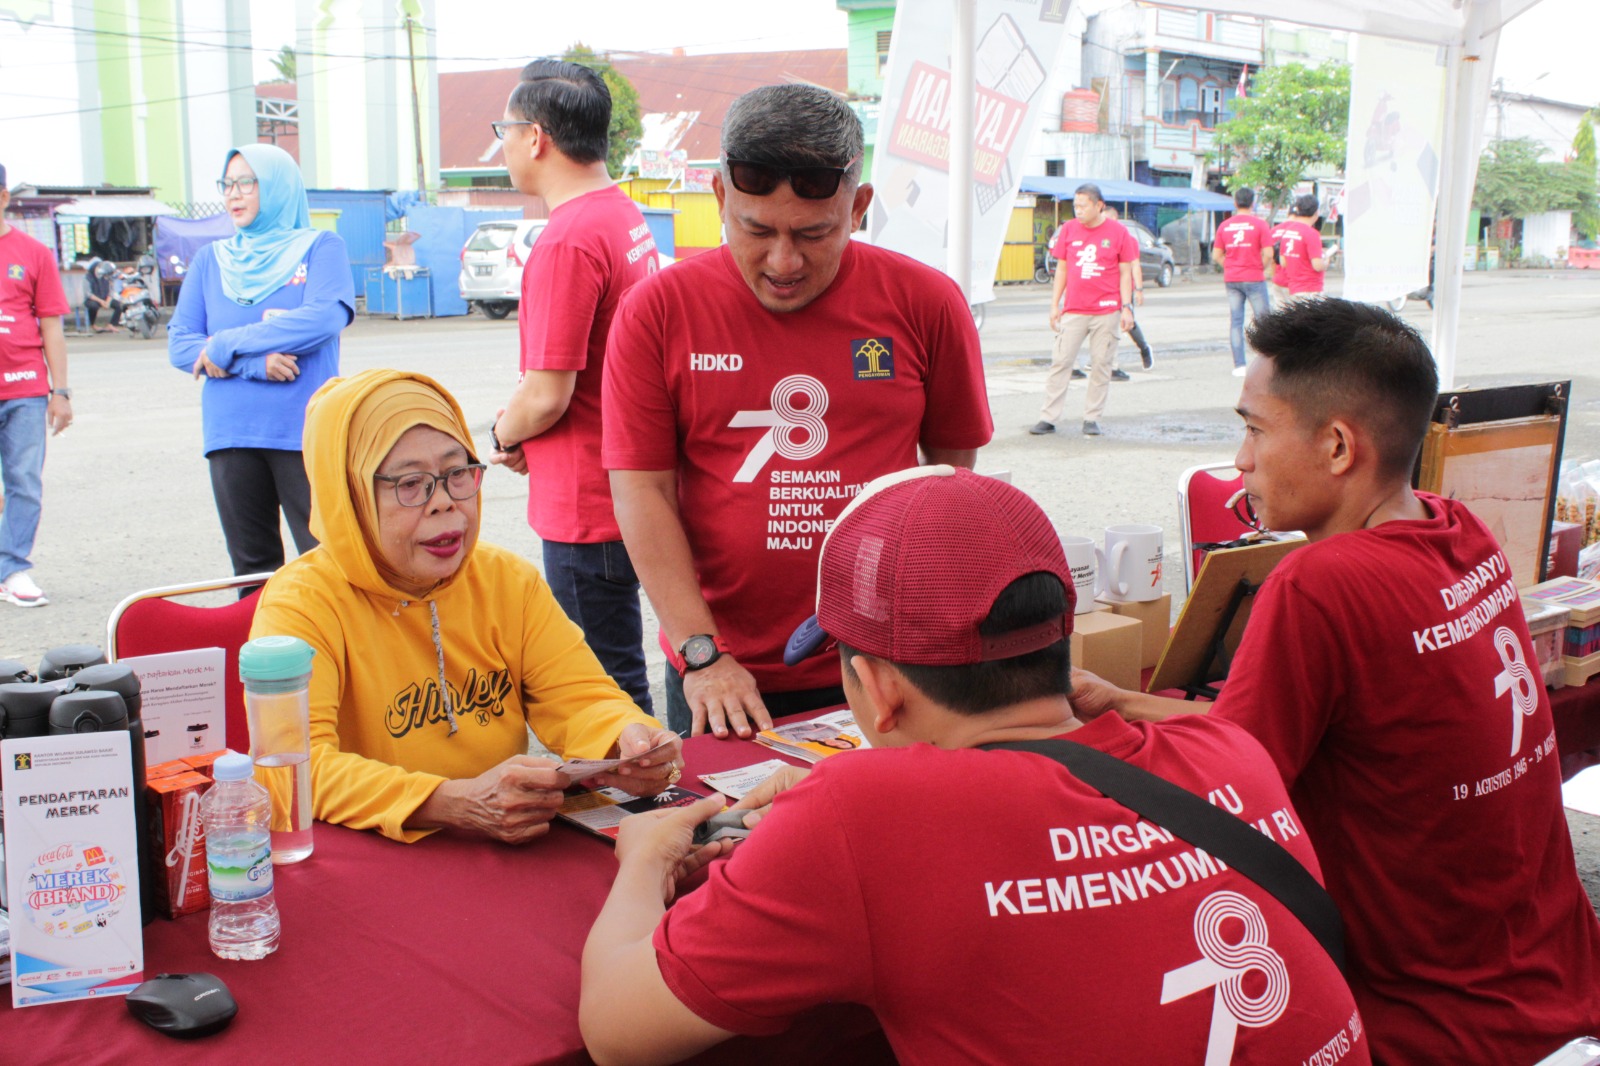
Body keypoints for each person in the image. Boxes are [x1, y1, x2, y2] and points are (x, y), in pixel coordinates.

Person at [579, 466, 1369, 1065]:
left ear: (877, 691)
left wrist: (643, 862)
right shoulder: (1227, 747)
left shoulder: (861, 816)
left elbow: (615, 1030)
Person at [1070, 298, 1600, 1063]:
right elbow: (1266, 731)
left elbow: (1231, 786)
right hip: (1556, 977)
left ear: (1339, 446)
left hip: (1440, 1027)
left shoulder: (1319, 585)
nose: (1241, 459)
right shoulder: (1461, 530)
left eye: (1254, 428)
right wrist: (1133, 702)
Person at [603, 84, 992, 740]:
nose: (784, 263)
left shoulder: (926, 301)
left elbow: (949, 476)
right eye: (756, 231)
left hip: (889, 665)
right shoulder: (657, 312)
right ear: (721, 199)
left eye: (815, 234)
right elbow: (641, 490)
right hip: (725, 677)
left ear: (859, 207)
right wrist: (702, 654)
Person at [251, 369, 682, 844]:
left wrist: (629, 739)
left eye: (458, 474)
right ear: (349, 495)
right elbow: (292, 767)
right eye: (411, 484)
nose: (444, 503)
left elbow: (578, 696)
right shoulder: (302, 603)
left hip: (503, 838)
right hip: (369, 853)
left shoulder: (504, 579)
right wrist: (449, 802)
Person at [489, 59, 659, 716]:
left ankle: (642, 810)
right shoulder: (621, 216)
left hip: (587, 505)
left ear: (536, 138)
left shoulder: (567, 239)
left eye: (504, 129)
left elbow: (547, 394)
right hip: (627, 483)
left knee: (602, 690)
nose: (503, 144)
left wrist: (502, 434)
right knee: (621, 673)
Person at [168, 143, 354, 579]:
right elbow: (181, 344)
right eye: (227, 184)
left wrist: (223, 344)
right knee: (252, 569)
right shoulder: (210, 260)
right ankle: (258, 648)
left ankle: (334, 649)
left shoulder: (320, 247)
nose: (234, 194)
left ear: (277, 186)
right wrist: (253, 364)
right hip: (232, 434)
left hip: (303, 431)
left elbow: (324, 317)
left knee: (327, 560)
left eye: (247, 183)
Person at [0, 162, 72, 608]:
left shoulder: (33, 253)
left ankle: (12, 568)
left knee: (24, 481)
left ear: (4, 196)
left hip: (24, 389)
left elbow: (52, 327)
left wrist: (60, 392)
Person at [1030, 182, 1135, 438]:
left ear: (1099, 205)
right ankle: (1048, 417)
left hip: (1107, 310)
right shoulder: (1069, 230)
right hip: (1074, 309)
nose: (1078, 210)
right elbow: (1062, 269)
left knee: (1101, 364)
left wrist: (1126, 307)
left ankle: (1091, 418)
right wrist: (1055, 305)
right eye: (1075, 205)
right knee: (1061, 361)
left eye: (1083, 206)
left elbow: (1125, 272)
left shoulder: (1118, 232)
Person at [1212, 186, 1273, 378]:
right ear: (1253, 202)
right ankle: (1267, 362)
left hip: (1232, 279)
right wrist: (1258, 266)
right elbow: (1269, 253)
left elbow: (1216, 255)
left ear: (1235, 203)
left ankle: (1239, 365)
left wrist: (1229, 265)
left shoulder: (1225, 226)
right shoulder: (1260, 224)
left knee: (1236, 321)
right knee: (1264, 321)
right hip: (1254, 277)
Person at [1268, 194, 1326, 307]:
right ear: (1316, 212)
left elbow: (1283, 262)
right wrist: (1325, 262)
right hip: (1310, 289)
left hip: (1294, 288)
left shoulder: (1288, 231)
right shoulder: (1312, 233)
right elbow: (1317, 265)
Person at [84, 257, 119, 332]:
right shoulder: (88, 277)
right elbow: (88, 294)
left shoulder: (107, 275)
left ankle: (112, 324)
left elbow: (111, 290)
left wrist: (108, 301)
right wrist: (101, 301)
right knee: (93, 306)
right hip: (93, 299)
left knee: (119, 305)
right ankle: (93, 325)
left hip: (105, 297)